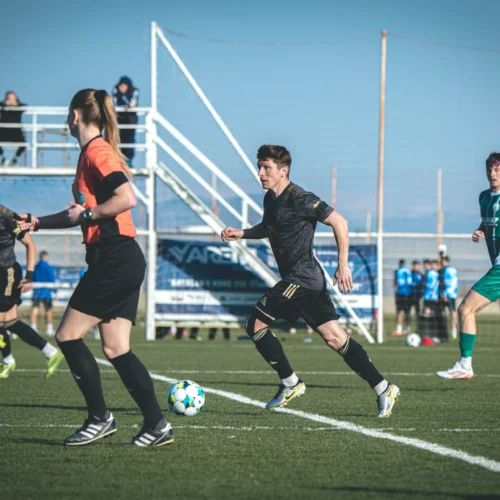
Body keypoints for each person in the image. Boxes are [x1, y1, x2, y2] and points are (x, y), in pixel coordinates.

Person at [15, 88, 173, 447]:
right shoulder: (92, 152)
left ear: (75, 115)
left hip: (114, 260)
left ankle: (100, 418)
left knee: (67, 336)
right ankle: (157, 425)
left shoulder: (97, 152)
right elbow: (78, 214)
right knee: (116, 348)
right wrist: (37, 222)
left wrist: (87, 214)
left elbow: (126, 198)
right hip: (123, 258)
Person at [221, 144, 400, 417]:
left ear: (284, 171)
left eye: (266, 167)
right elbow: (269, 228)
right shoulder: (270, 199)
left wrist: (343, 265)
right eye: (259, 167)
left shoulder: (301, 198)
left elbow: (340, 222)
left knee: (254, 324)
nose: (260, 173)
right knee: (335, 338)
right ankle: (383, 388)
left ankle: (290, 383)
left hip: (302, 278)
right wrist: (242, 233)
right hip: (304, 281)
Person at [438, 153, 500, 379]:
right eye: (489, 169)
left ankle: (465, 365)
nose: (492, 174)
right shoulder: (484, 197)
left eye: (497, 169)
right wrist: (480, 230)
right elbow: (487, 222)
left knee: (466, 309)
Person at [0, 205, 64, 379]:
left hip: (7, 275)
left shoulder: (6, 216)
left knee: (6, 322)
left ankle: (8, 360)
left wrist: (29, 276)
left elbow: (30, 244)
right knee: (10, 323)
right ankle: (49, 352)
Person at [112, 77, 139, 167]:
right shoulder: (116, 91)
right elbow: (114, 104)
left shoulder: (134, 91)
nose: (122, 88)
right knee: (119, 138)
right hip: (120, 119)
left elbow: (133, 104)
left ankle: (128, 161)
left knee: (130, 139)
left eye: (124, 86)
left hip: (130, 119)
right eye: (121, 86)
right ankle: (120, 160)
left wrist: (126, 104)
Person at [30, 251, 57, 336]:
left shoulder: (35, 267)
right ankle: (49, 329)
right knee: (48, 310)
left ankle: (33, 327)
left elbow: (32, 278)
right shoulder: (48, 267)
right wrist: (55, 292)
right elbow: (52, 280)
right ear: (45, 257)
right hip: (46, 292)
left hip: (36, 291)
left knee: (35, 309)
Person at [0, 91, 27, 166]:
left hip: (16, 132)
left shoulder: (19, 107)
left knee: (23, 145)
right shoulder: (3, 106)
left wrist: (16, 105)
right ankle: (3, 158)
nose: (12, 100)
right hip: (4, 132)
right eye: (10, 98)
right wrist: (5, 104)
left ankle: (15, 159)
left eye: (13, 98)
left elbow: (25, 107)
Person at [393, 259, 412, 336]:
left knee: (399, 311)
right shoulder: (408, 271)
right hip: (407, 294)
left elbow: (395, 285)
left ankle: (399, 329)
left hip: (399, 294)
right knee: (407, 312)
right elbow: (410, 282)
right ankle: (408, 329)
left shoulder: (397, 271)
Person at [441, 256, 458, 340]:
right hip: (453, 294)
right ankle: (454, 331)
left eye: (443, 261)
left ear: (446, 261)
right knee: (453, 313)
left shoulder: (446, 270)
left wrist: (445, 295)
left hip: (448, 295)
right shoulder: (453, 269)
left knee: (450, 312)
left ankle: (451, 330)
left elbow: (448, 283)